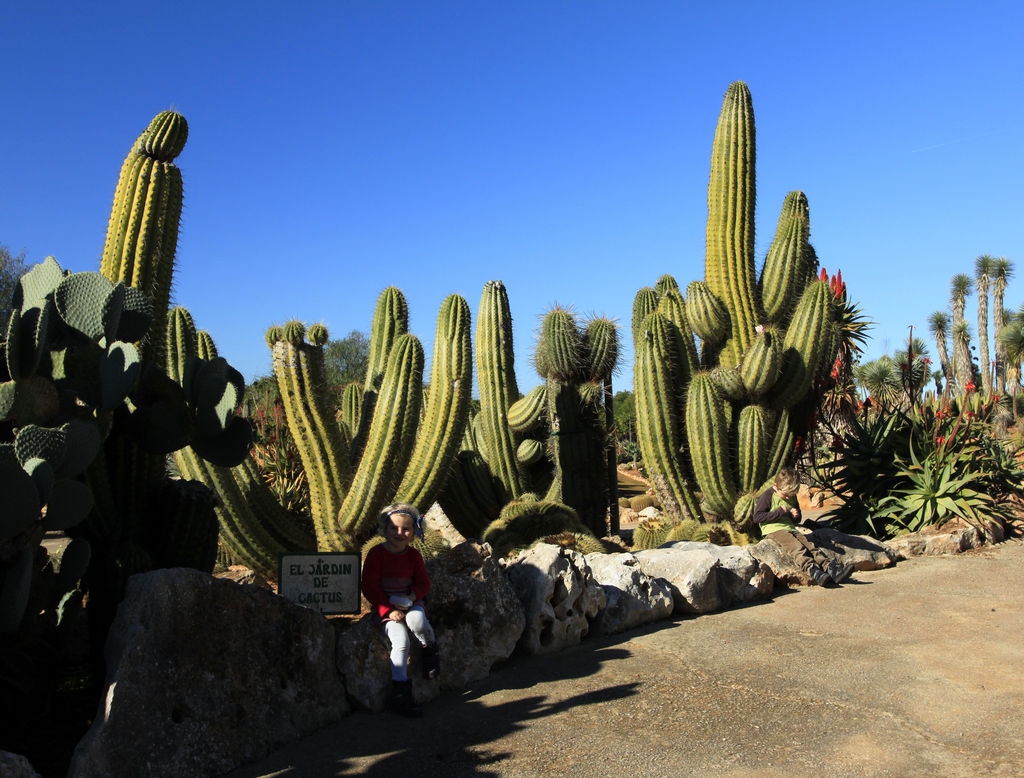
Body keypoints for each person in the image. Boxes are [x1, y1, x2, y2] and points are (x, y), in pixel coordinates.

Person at [361, 502, 440, 717]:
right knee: (400, 642)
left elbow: (424, 583)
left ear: (414, 532)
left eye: (406, 529)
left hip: (410, 602)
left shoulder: (413, 556)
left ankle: (429, 648)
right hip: (387, 608)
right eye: (393, 528)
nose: (399, 533)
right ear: (384, 530)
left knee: (417, 622)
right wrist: (387, 610)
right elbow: (369, 586)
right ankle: (401, 692)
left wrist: (412, 597)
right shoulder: (377, 555)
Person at [753, 468, 854, 586]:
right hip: (774, 529)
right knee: (796, 547)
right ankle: (812, 570)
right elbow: (757, 517)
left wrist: (795, 516)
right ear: (776, 486)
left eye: (791, 495)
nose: (787, 498)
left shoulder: (791, 495)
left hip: (790, 528)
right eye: (785, 495)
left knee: (810, 546)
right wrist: (779, 512)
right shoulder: (768, 495)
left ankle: (830, 569)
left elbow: (797, 518)